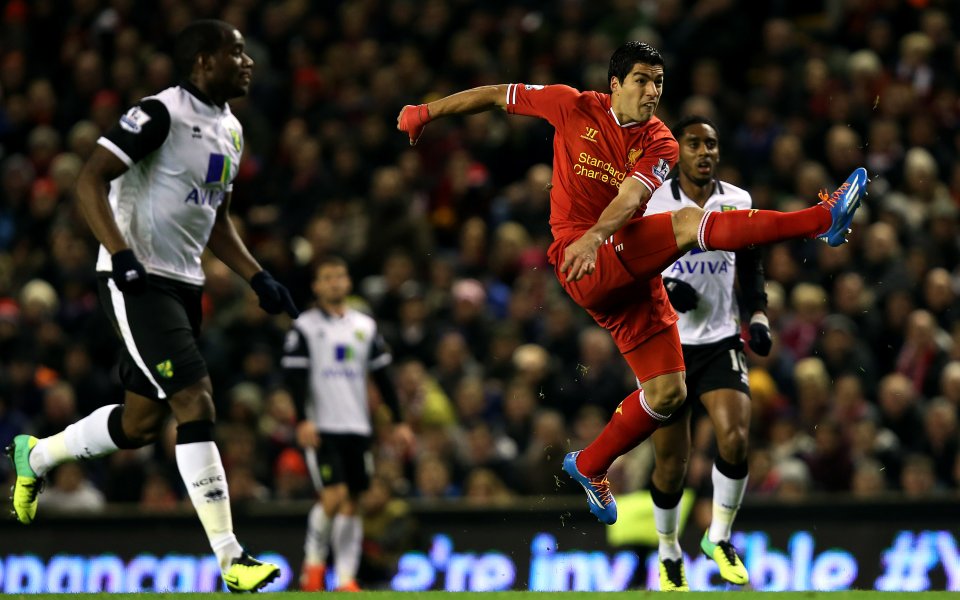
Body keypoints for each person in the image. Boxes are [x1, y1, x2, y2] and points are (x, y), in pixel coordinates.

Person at [397, 41, 866, 526]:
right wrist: (425, 112)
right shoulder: (570, 105)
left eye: (659, 82)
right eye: (642, 79)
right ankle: (819, 219)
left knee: (669, 393)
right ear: (615, 83)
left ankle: (590, 464)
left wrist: (597, 235)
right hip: (583, 261)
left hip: (621, 266)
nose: (652, 91)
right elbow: (497, 94)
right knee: (689, 223)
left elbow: (630, 196)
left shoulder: (660, 140)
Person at [5, 20, 297, 593]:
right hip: (139, 280)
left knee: (138, 424)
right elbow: (90, 179)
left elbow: (218, 218)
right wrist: (119, 254)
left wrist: (257, 276)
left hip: (185, 284)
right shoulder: (159, 113)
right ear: (202, 62)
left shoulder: (232, 130)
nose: (248, 62)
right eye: (235, 52)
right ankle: (232, 559)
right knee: (196, 399)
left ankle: (34, 456)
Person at [642, 115, 769, 590]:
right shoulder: (653, 202)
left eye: (711, 144)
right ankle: (669, 549)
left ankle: (719, 536)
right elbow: (630, 265)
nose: (704, 152)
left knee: (735, 437)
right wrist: (667, 285)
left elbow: (752, 263)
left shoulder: (737, 202)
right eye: (694, 143)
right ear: (677, 152)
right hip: (664, 345)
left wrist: (758, 316)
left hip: (718, 341)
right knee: (671, 465)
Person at [281, 256, 412, 592]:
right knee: (333, 495)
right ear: (316, 286)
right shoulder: (305, 327)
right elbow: (294, 377)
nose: (335, 282)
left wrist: (398, 420)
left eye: (340, 276)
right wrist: (303, 419)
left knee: (352, 502)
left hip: (357, 426)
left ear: (348, 282)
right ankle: (312, 567)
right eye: (327, 277)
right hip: (322, 427)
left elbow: (382, 375)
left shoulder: (364, 326)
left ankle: (344, 578)